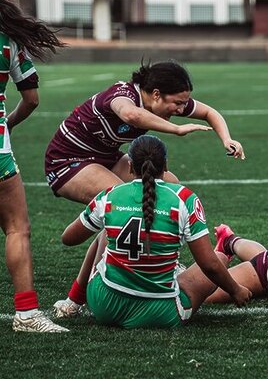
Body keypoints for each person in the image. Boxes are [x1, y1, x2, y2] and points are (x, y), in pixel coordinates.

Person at [49, 59, 246, 318]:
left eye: (183, 104)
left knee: (171, 185)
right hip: (68, 161)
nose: (180, 109)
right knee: (123, 205)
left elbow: (210, 113)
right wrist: (176, 129)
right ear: (155, 94)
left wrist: (227, 139)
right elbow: (131, 115)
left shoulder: (163, 100)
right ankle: (76, 297)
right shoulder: (123, 94)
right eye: (176, 103)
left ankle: (163, 261)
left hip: (105, 157)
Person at [60, 135, 251, 328]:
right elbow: (209, 265)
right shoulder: (184, 199)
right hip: (160, 313)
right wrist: (236, 290)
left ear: (131, 167)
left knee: (104, 234)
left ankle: (73, 301)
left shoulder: (110, 195)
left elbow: (68, 238)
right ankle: (171, 269)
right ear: (165, 165)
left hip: (103, 305)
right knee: (218, 258)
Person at [0, 0, 69, 332]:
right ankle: (26, 314)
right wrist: (7, 124)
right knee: (16, 228)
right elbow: (31, 99)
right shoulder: (8, 41)